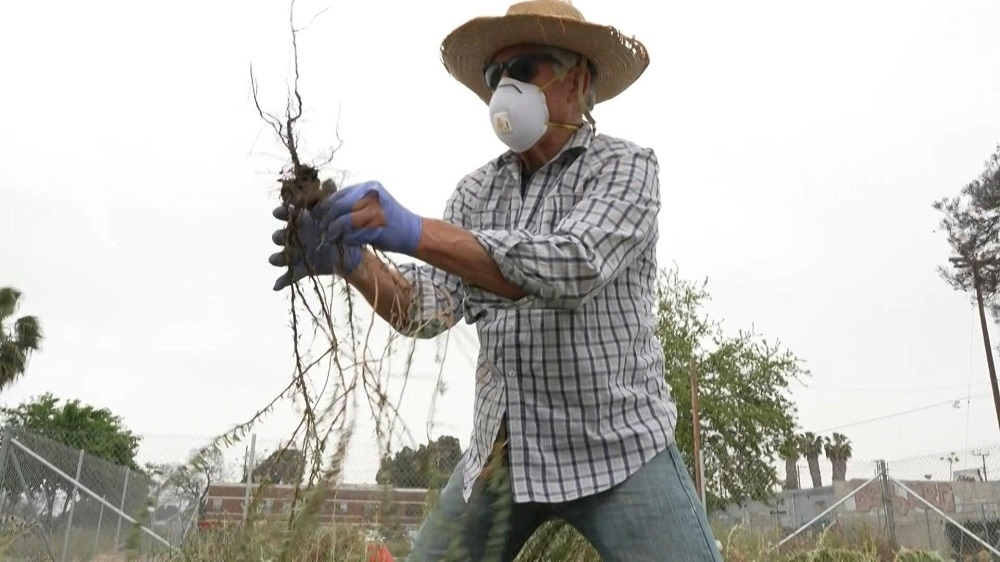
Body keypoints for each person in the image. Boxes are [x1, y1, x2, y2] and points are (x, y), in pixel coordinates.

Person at [268, 1, 724, 560]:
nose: (506, 85)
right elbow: (426, 309)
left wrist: (414, 231)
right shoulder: (476, 193)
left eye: (526, 68)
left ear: (577, 80)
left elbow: (571, 265)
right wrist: (354, 263)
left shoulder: (626, 169)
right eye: (495, 74)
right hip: (504, 453)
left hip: (617, 448)